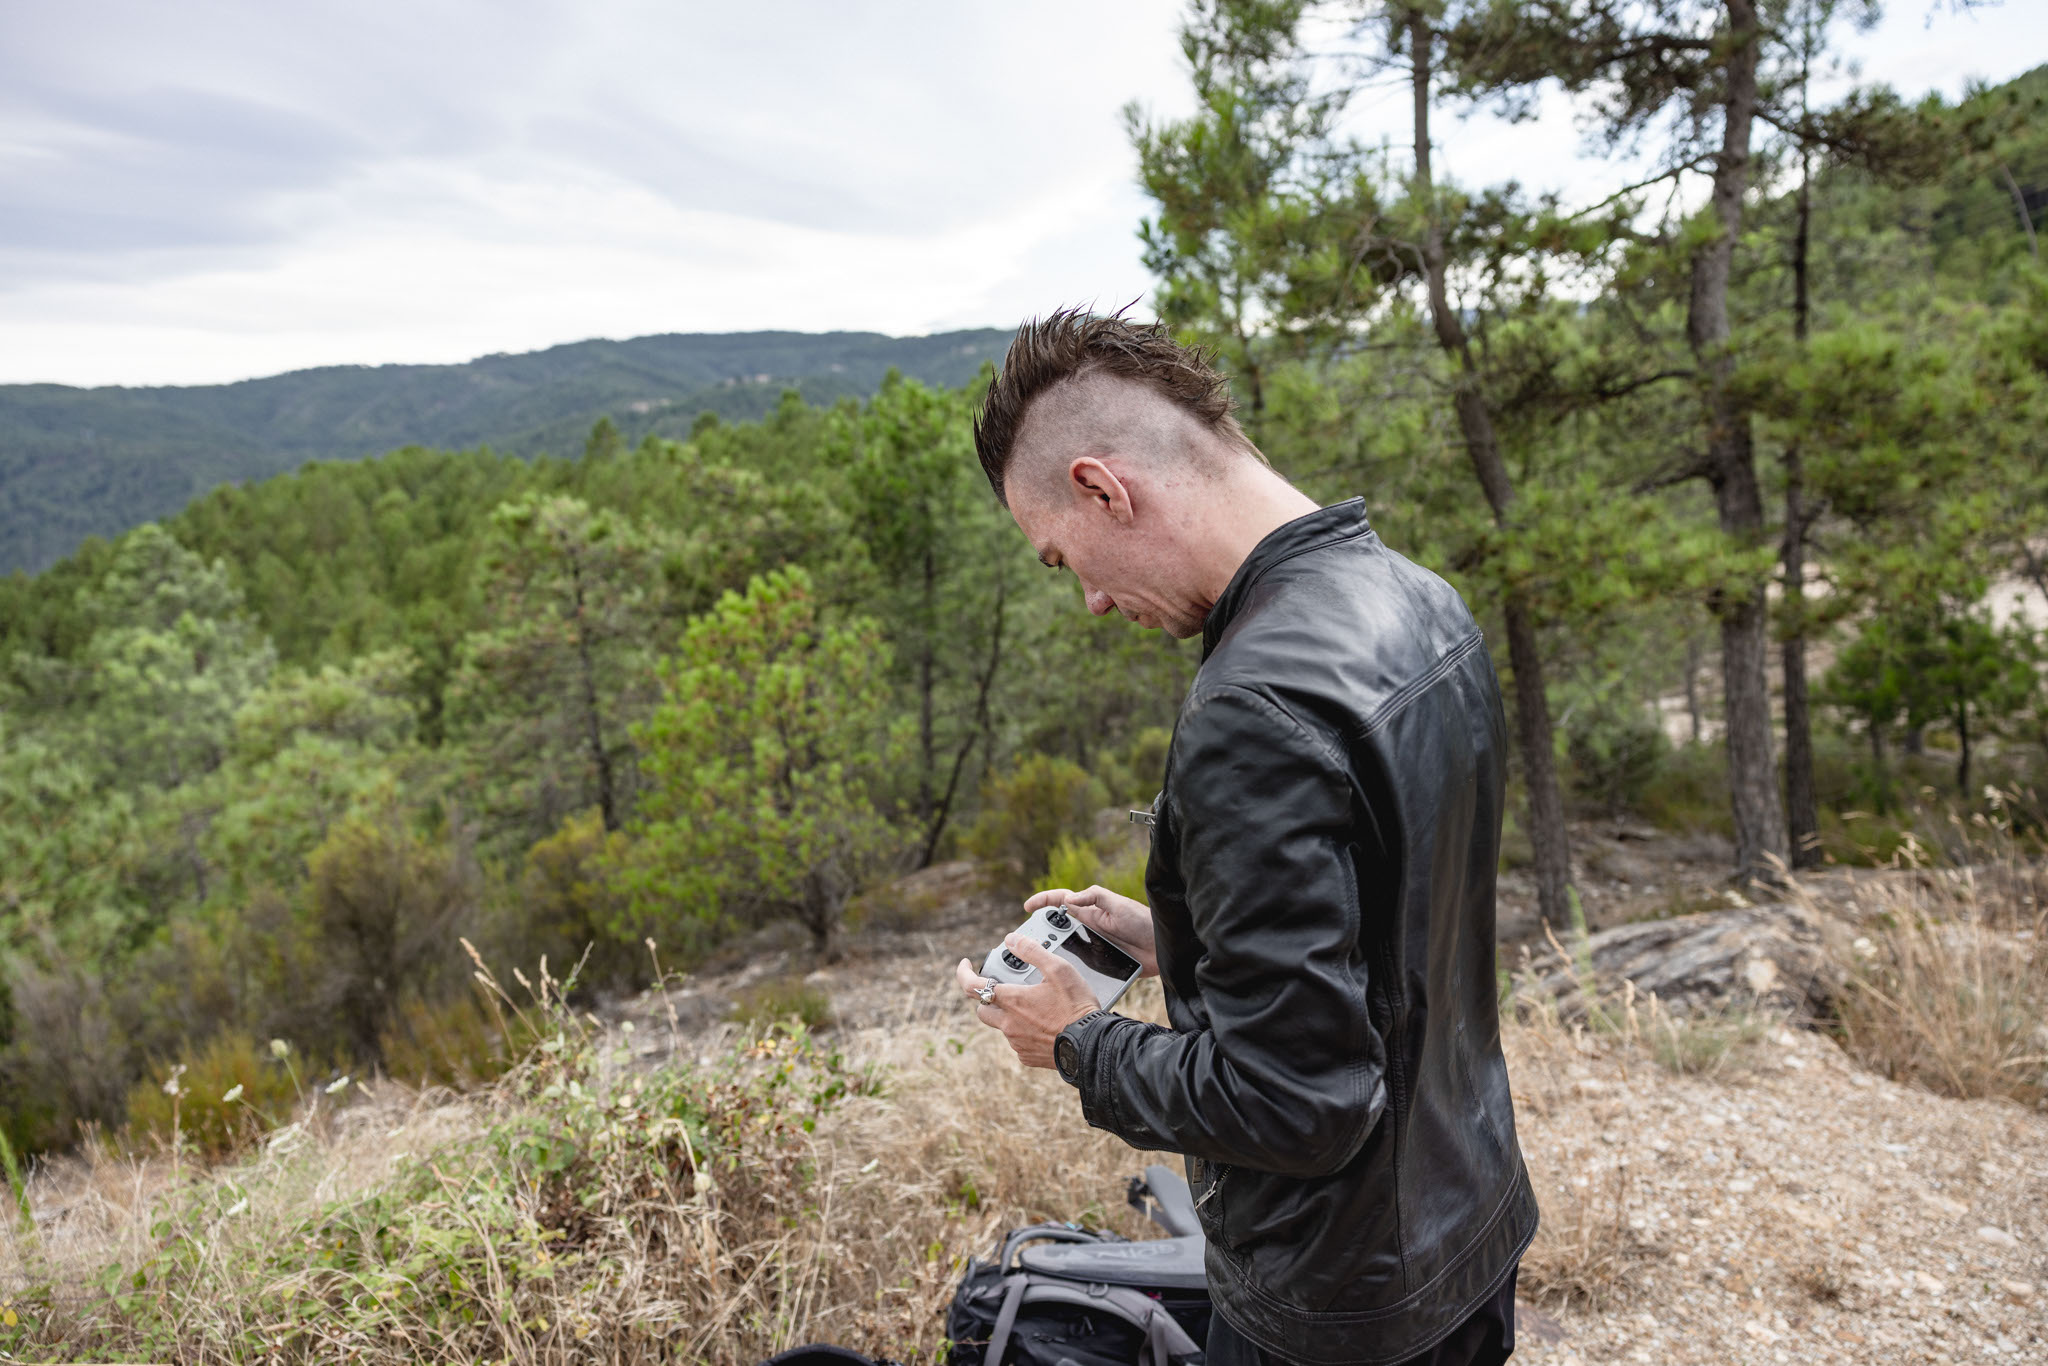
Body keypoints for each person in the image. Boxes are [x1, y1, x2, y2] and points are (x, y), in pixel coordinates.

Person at [953, 309, 1537, 1366]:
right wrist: (1170, 931)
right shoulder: (1419, 599)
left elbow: (1297, 1102)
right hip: (1469, 1231)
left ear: (1100, 486)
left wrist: (1073, 1044)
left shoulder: (1250, 708)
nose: (1086, 599)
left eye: (1059, 558)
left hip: (1338, 1306)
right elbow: (1390, 936)